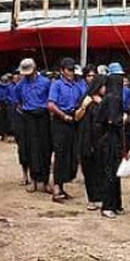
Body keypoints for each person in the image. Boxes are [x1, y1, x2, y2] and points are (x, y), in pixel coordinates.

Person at [47, 57, 86, 202]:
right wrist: (64, 116)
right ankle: (57, 187)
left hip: (75, 120)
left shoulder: (78, 84)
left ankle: (62, 186)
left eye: (72, 70)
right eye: (68, 70)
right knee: (61, 154)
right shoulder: (56, 84)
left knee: (72, 155)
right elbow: (51, 105)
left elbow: (85, 98)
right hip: (61, 121)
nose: (71, 72)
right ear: (62, 71)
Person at [14, 58, 53, 194]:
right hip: (28, 118)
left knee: (45, 149)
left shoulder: (46, 83)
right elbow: (18, 102)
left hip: (43, 117)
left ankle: (46, 181)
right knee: (30, 149)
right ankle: (34, 180)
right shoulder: (20, 85)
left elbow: (50, 100)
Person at [96, 69, 126, 219]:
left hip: (112, 139)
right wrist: (124, 119)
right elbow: (112, 120)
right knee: (110, 173)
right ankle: (108, 205)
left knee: (115, 173)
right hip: (109, 140)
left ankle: (116, 204)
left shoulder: (110, 98)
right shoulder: (113, 99)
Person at [76, 74, 106, 211]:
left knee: (101, 169)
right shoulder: (86, 98)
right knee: (89, 169)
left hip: (101, 139)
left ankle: (102, 196)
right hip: (87, 138)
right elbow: (76, 117)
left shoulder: (106, 100)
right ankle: (92, 198)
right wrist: (84, 106)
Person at [9, 72, 30, 185]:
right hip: (20, 122)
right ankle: (25, 175)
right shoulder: (17, 88)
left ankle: (34, 177)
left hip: (32, 122)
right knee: (22, 150)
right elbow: (17, 105)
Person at [0, 72, 12, 140]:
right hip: (0, 103)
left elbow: (10, 96)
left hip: (7, 103)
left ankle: (5, 134)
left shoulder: (9, 87)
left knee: (7, 119)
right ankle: (0, 134)